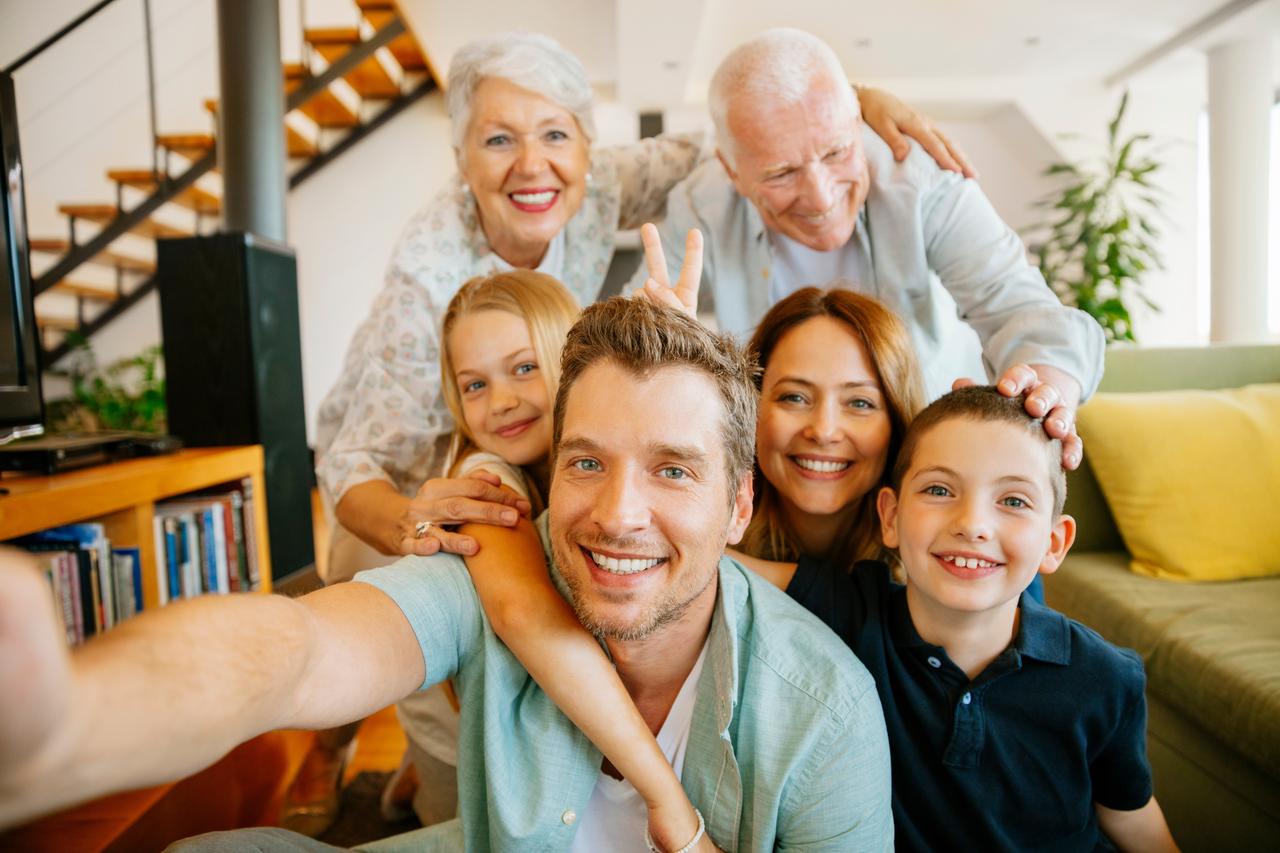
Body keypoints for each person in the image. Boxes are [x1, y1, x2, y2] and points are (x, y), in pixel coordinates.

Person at [298, 28, 976, 828]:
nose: (532, 164)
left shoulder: (599, 186)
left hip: (547, 447)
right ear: (461, 159)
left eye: (556, 135)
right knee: (428, 649)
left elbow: (740, 132)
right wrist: (422, 518)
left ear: (589, 147)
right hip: (403, 476)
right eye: (498, 140)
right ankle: (369, 760)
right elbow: (353, 466)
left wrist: (857, 104)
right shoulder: (427, 278)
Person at [0, 297, 893, 852]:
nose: (619, 513)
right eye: (586, 461)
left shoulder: (827, 712)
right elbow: (300, 649)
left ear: (738, 506)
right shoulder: (499, 555)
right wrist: (73, 716)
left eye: (672, 469)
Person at [633, 28, 1104, 470]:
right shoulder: (702, 202)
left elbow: (1022, 310)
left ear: (858, 124)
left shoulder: (922, 180)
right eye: (781, 173)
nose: (821, 198)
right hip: (790, 466)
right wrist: (660, 345)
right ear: (733, 172)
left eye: (836, 152)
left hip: (923, 452)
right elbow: (636, 325)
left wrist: (1045, 392)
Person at [779, 385, 1178, 851]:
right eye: (939, 490)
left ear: (1054, 543)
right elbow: (723, 563)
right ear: (890, 517)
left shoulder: (1105, 677)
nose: (972, 524)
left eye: (1013, 501)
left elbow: (1132, 820)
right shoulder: (853, 612)